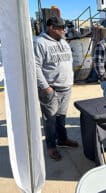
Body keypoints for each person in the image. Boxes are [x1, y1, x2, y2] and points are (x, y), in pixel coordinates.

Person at [34, 16, 78, 161]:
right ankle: (51, 147)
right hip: (51, 89)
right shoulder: (40, 43)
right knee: (50, 120)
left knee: (61, 117)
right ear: (51, 28)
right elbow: (35, 67)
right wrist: (46, 88)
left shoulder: (64, 41)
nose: (64, 30)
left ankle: (63, 139)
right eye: (61, 28)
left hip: (66, 87)